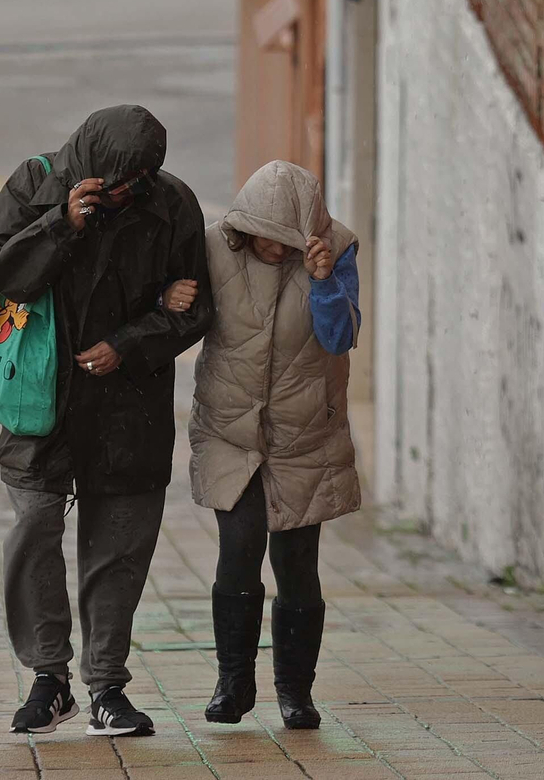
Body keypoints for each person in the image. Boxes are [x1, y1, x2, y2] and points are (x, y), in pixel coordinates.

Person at [0, 105, 213, 738]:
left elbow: (196, 308)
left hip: (128, 406)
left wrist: (127, 344)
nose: (127, 194)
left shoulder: (172, 205)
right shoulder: (35, 183)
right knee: (33, 528)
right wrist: (62, 223)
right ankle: (48, 680)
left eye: (138, 183)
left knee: (119, 546)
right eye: (117, 184)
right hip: (41, 399)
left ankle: (107, 686)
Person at [172, 159, 361, 730]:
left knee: (297, 562)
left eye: (288, 240)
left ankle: (295, 694)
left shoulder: (337, 248)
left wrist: (324, 283)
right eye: (265, 237)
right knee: (239, 548)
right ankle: (233, 684)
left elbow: (341, 336)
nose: (277, 249)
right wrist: (168, 300)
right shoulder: (213, 246)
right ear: (244, 226)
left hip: (306, 434)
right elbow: (183, 321)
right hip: (231, 430)